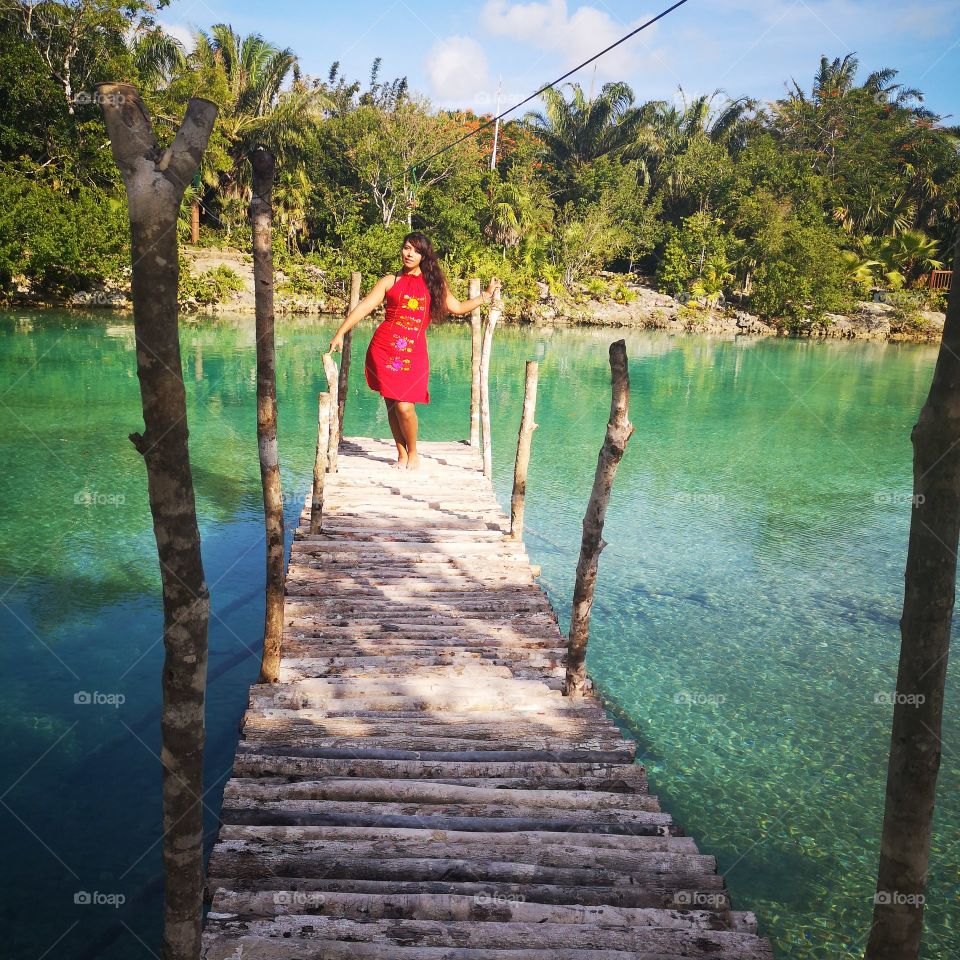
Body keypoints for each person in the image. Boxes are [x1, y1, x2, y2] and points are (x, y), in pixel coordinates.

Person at [329, 232, 500, 470]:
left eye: (416, 250)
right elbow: (365, 306)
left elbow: (458, 307)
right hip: (384, 349)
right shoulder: (390, 280)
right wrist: (340, 333)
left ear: (424, 255)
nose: (409, 254)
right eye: (406, 248)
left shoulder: (433, 283)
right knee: (391, 404)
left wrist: (486, 296)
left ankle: (414, 452)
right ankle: (401, 454)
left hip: (414, 353)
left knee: (405, 406)